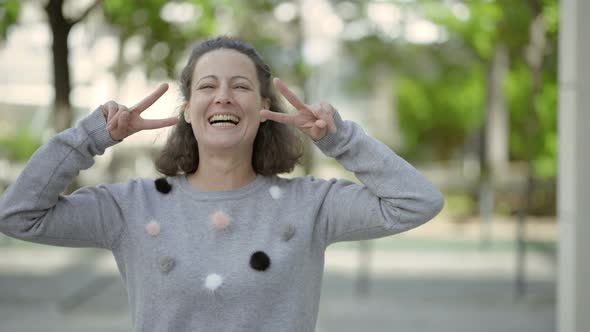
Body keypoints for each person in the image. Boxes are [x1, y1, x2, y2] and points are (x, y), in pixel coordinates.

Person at [0, 36, 444, 331]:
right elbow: (18, 216)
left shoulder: (311, 205)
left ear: (265, 107)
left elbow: (417, 202)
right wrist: (91, 137)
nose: (224, 96)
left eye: (241, 86)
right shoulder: (130, 207)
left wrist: (341, 139)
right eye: (208, 86)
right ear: (189, 109)